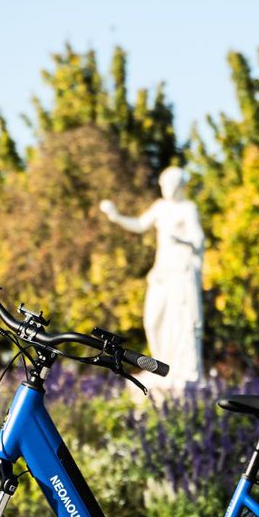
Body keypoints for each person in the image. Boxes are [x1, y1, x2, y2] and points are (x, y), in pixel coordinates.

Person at [100, 166, 204, 391]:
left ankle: (179, 371)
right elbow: (139, 224)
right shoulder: (160, 207)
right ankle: (160, 368)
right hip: (161, 275)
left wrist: (181, 240)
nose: (164, 188)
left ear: (177, 186)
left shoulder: (188, 209)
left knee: (179, 324)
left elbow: (198, 239)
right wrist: (115, 216)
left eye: (167, 185)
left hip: (180, 275)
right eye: (162, 185)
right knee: (153, 320)